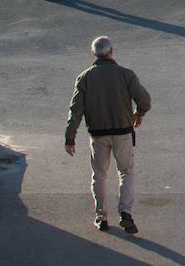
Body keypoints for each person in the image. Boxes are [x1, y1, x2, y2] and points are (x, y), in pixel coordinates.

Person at [64, 36, 151, 235]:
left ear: (93, 53)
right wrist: (139, 114)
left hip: (98, 135)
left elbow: (75, 110)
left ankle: (101, 217)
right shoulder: (125, 74)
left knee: (99, 175)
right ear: (111, 52)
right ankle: (125, 214)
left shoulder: (85, 77)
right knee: (126, 171)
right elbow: (144, 99)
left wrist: (70, 138)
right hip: (122, 133)